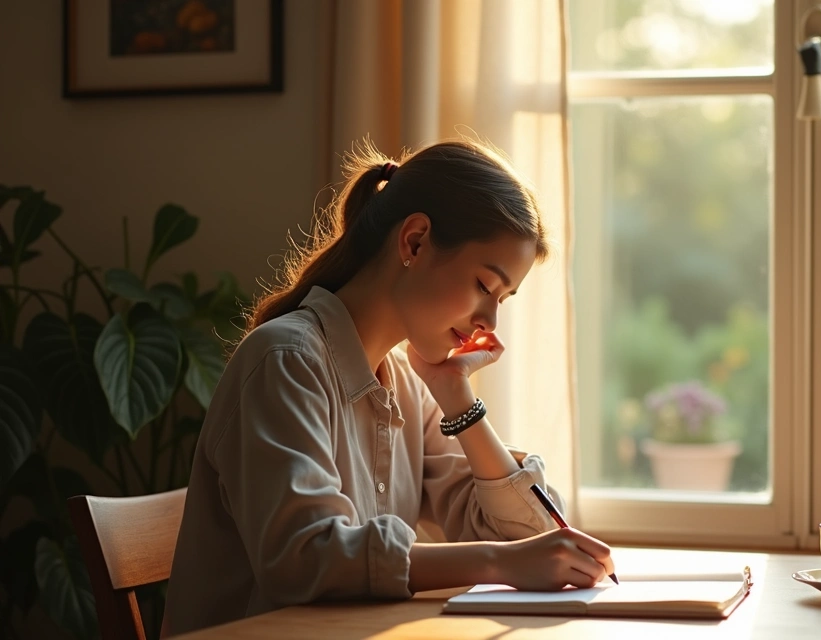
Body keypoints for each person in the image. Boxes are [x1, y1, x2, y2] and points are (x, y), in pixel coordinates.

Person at [163, 140, 615, 636]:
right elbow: (305, 557)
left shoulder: (403, 381)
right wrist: (498, 563)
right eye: (486, 287)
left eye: (503, 299)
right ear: (415, 241)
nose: (490, 322)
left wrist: (455, 395)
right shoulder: (286, 361)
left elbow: (535, 533)